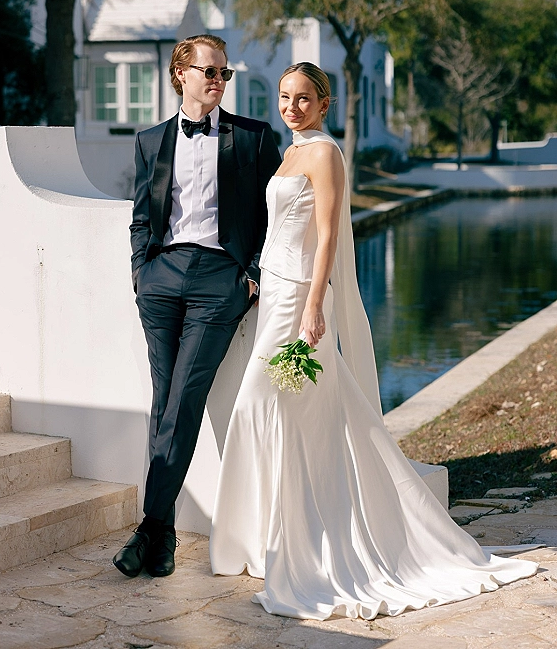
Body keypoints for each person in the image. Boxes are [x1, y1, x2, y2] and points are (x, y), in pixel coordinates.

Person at [209, 61, 537, 620]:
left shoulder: (325, 153)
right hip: (276, 294)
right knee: (282, 413)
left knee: (272, 408)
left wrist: (315, 304)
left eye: (303, 98)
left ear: (324, 102)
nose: (291, 107)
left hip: (301, 301)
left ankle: (309, 542)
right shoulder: (289, 151)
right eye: (285, 97)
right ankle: (262, 538)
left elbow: (331, 231)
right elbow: (284, 227)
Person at [113, 34, 281, 579]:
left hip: (218, 281)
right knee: (166, 403)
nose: (217, 80)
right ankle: (160, 539)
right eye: (208, 71)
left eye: (223, 73)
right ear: (180, 74)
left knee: (183, 399)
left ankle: (148, 530)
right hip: (161, 281)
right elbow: (143, 213)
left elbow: (277, 213)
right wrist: (142, 271)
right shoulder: (150, 140)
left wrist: (251, 272)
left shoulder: (253, 138)